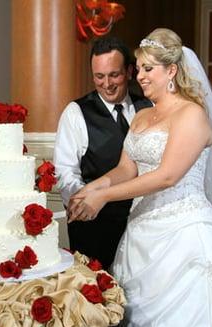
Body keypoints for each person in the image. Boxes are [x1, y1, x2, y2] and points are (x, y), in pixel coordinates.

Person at [67, 28, 212, 327]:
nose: (141, 76)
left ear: (172, 71)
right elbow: (127, 169)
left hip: (184, 233)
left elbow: (166, 176)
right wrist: (93, 187)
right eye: (140, 69)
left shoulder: (192, 116)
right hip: (141, 234)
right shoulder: (141, 117)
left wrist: (106, 199)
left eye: (149, 69)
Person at [54, 36, 152, 269]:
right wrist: (83, 202)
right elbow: (65, 171)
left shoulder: (149, 108)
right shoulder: (76, 112)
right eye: (99, 76)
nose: (106, 84)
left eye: (113, 75)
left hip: (144, 225)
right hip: (95, 226)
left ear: (129, 71)